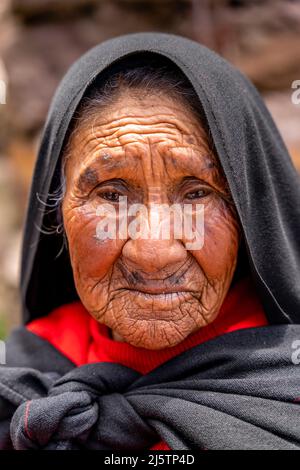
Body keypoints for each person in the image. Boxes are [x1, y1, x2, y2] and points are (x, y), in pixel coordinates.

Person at [0, 32, 299, 450]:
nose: (154, 251)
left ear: (250, 216)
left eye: (196, 193)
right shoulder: (20, 380)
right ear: (58, 213)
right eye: (111, 195)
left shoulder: (289, 388)